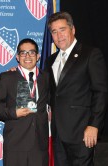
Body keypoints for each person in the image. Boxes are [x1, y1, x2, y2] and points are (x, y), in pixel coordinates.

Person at [44, 11, 108, 166]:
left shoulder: (90, 54)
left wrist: (94, 125)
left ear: (73, 30)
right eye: (54, 31)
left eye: (62, 29)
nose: (59, 36)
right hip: (58, 134)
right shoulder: (51, 60)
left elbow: (101, 92)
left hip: (82, 132)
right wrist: (18, 73)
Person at [0, 38, 49, 166]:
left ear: (38, 56)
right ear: (17, 57)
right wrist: (13, 113)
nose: (27, 56)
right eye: (23, 53)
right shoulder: (7, 77)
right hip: (15, 142)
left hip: (39, 143)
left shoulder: (46, 77)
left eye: (32, 52)